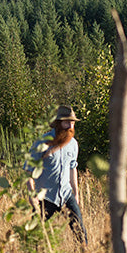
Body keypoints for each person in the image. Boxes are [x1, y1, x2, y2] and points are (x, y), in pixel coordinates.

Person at [26, 105, 89, 245]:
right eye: (67, 122)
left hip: (66, 194)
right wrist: (32, 195)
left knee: (80, 232)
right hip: (46, 196)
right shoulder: (42, 142)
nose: (71, 126)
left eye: (72, 122)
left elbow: (73, 168)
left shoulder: (73, 144)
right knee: (34, 236)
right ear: (58, 123)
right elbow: (28, 171)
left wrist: (76, 194)